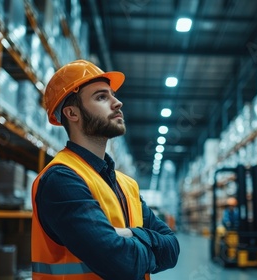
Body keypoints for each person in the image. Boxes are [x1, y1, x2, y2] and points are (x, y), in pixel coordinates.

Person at [31, 60, 180, 280]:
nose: (117, 103)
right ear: (72, 113)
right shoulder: (61, 179)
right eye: (102, 97)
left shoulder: (126, 185)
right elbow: (122, 263)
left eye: (113, 95)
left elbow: (172, 248)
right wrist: (146, 241)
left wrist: (130, 234)